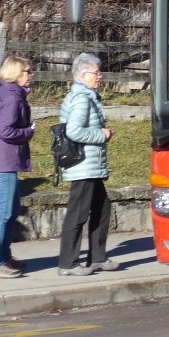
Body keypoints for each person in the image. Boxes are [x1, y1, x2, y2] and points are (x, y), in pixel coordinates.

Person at [57, 54, 117, 277]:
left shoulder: (89, 96)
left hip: (91, 165)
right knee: (78, 213)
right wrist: (101, 134)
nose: (100, 76)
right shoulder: (81, 98)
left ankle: (98, 258)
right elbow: (73, 131)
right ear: (83, 75)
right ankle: (68, 264)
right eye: (96, 73)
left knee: (102, 208)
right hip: (83, 165)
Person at [0, 56, 35, 279]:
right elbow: (6, 131)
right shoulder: (12, 98)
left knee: (10, 214)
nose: (31, 75)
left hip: (4, 162)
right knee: (3, 214)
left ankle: (4, 257)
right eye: (28, 71)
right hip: (3, 163)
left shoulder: (8, 94)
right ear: (16, 73)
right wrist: (28, 132)